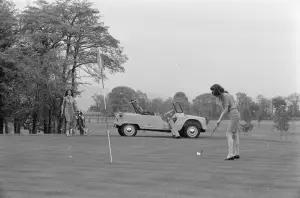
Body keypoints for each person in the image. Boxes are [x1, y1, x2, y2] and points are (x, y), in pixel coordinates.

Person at [210, 84, 240, 160]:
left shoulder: (226, 96)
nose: (213, 92)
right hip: (234, 114)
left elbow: (226, 109)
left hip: (234, 114)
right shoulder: (222, 97)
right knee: (235, 134)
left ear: (217, 90)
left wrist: (219, 120)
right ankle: (236, 153)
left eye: (213, 90)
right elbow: (225, 110)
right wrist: (219, 120)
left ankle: (230, 155)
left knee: (228, 133)